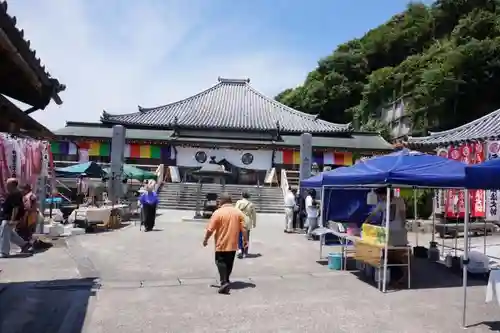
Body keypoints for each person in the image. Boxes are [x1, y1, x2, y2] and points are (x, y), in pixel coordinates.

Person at [203, 193, 247, 294]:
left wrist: (205, 239)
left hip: (221, 243)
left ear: (223, 201)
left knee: (220, 262)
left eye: (219, 200)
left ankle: (223, 282)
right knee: (229, 263)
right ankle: (226, 279)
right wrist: (245, 240)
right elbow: (244, 228)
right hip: (233, 244)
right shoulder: (238, 212)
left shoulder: (218, 212)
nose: (218, 202)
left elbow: (210, 229)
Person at [0, 178, 32, 257]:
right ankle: (24, 245)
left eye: (8, 184)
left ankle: (4, 252)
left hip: (9, 218)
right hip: (8, 217)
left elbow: (16, 208)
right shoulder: (14, 193)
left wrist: (12, 219)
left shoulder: (15, 194)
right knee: (10, 234)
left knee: (4, 234)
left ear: (12, 185)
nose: (6, 186)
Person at [235, 191, 257, 259]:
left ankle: (240, 249)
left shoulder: (239, 202)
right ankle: (245, 252)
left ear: (242, 196)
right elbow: (254, 215)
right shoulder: (251, 204)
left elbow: (235, 211)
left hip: (240, 220)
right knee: (246, 237)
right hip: (247, 220)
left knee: (239, 235)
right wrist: (254, 223)